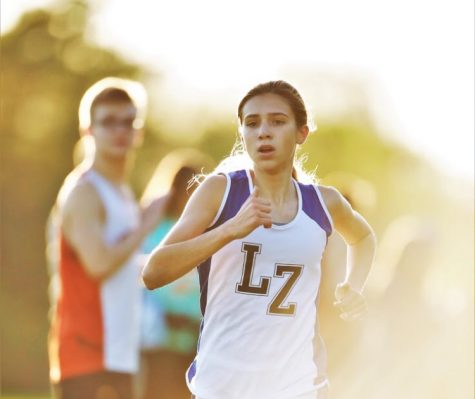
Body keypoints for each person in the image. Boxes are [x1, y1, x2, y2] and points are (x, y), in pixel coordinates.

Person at [142, 80, 376, 399]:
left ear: (301, 133)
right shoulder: (220, 192)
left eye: (277, 122)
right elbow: (154, 272)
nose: (263, 132)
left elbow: (363, 237)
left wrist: (353, 284)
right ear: (242, 134)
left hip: (296, 385)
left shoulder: (324, 203)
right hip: (221, 385)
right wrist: (229, 230)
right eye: (252, 123)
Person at [48, 77, 167, 399]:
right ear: (88, 131)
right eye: (108, 122)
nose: (120, 130)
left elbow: (126, 266)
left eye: (128, 122)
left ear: (138, 131)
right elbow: (98, 264)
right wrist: (144, 224)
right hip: (87, 357)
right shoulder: (84, 192)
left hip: (119, 353)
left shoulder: (121, 192)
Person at [137, 149, 214, 399]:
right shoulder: (154, 229)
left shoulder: (207, 232)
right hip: (158, 340)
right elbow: (146, 276)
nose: (188, 196)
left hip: (196, 339)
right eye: (183, 188)